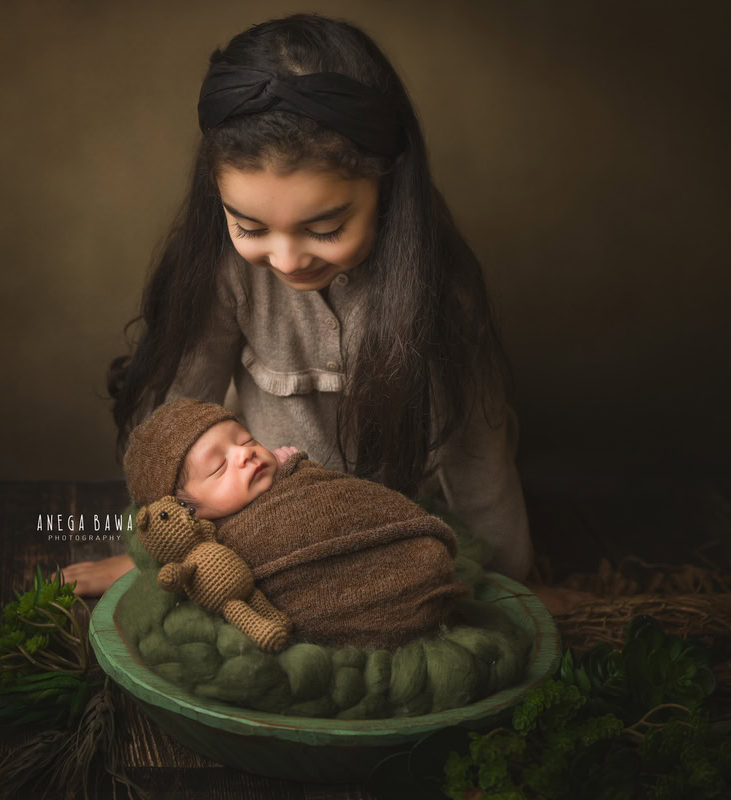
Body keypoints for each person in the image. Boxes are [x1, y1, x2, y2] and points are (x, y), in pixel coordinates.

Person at [63, 13, 592, 614]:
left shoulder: (440, 291)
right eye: (250, 226)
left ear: (387, 185)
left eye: (325, 227)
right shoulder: (224, 275)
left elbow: (477, 451)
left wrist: (506, 579)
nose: (286, 259)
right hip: (264, 523)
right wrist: (149, 552)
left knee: (426, 616)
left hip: (399, 523)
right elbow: (177, 420)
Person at [122, 397, 468, 649]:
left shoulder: (295, 478)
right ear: (187, 511)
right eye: (218, 467)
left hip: (410, 551)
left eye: (246, 440)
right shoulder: (219, 548)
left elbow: (350, 501)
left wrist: (294, 464)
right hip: (344, 599)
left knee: (423, 556)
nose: (244, 454)